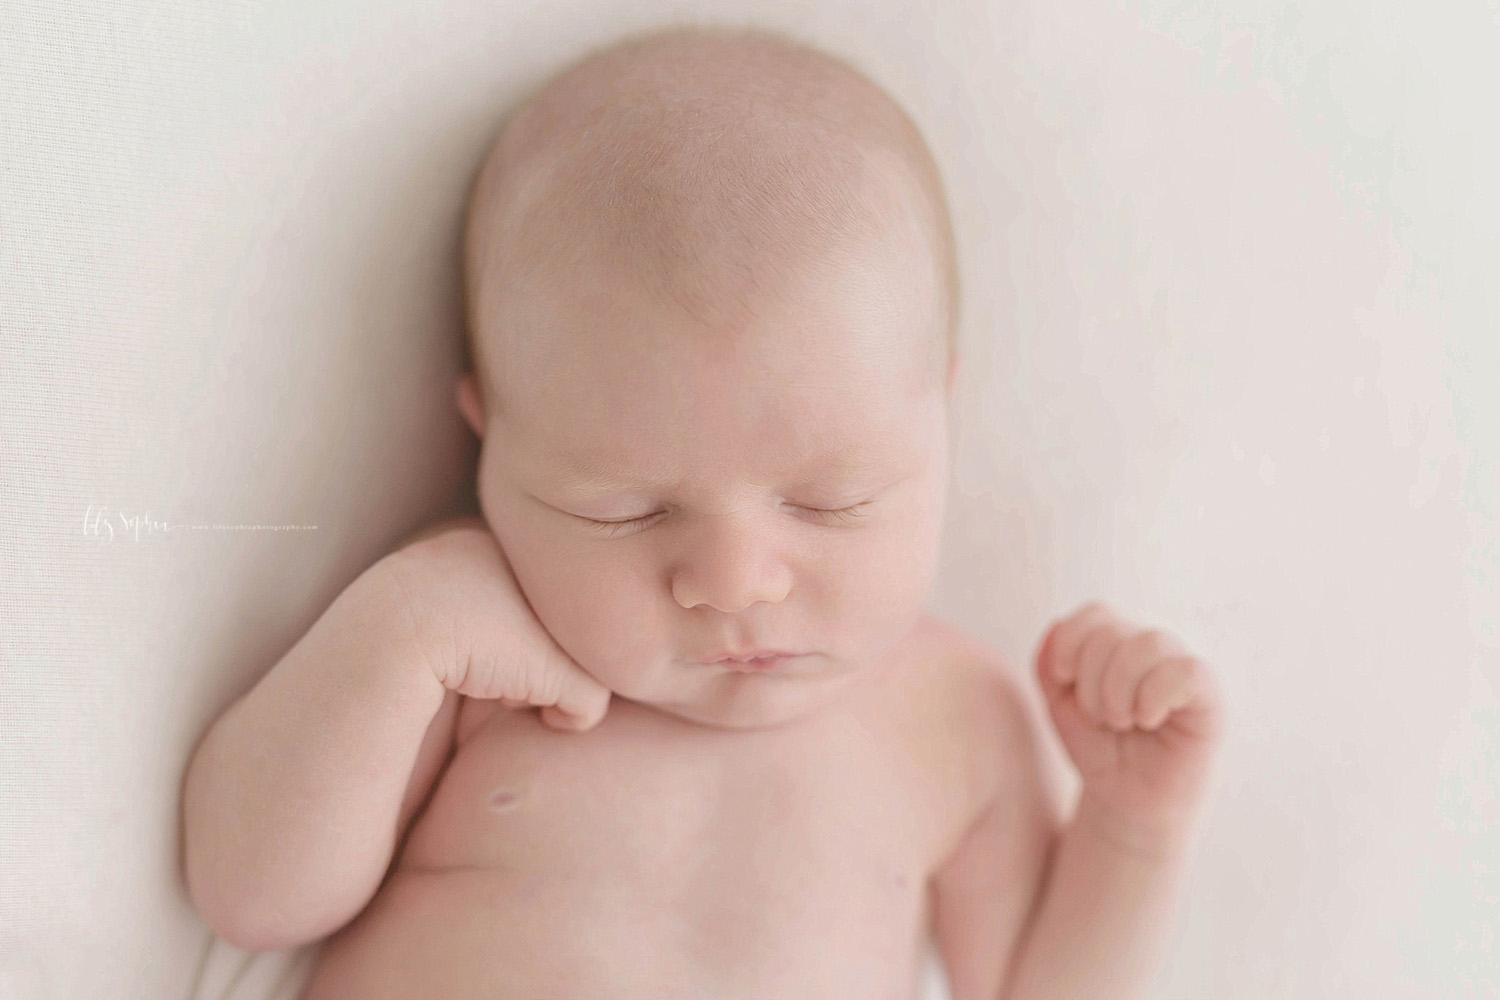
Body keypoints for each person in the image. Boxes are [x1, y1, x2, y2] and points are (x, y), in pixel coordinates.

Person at [180, 22, 1226, 999]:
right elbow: (253, 895)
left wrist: (1133, 829)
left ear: (939, 419)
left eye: (832, 499)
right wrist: (393, 638)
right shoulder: (473, 650)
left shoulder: (955, 721)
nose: (733, 583)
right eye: (624, 510)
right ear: (488, 439)